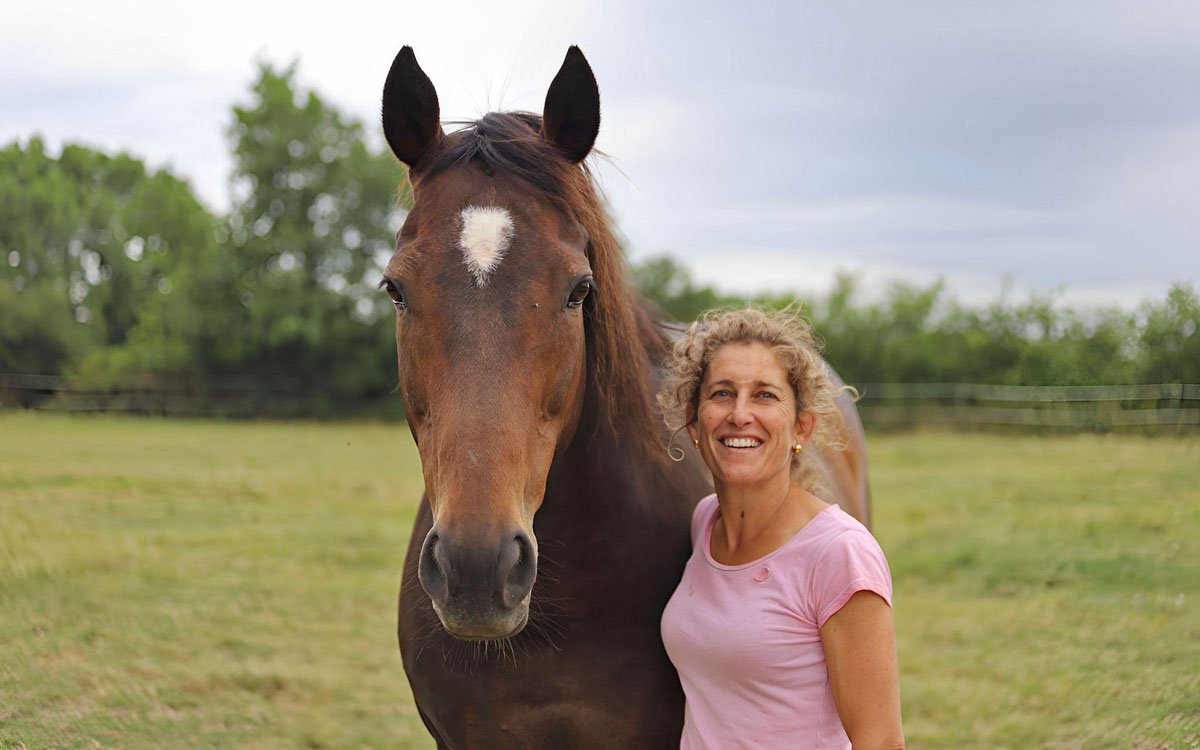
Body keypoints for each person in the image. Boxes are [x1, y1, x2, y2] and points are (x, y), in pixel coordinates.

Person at [657, 308, 904, 750]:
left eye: (765, 396)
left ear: (801, 428)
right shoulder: (705, 523)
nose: (740, 414)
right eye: (722, 393)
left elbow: (881, 740)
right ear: (694, 422)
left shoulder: (840, 553)